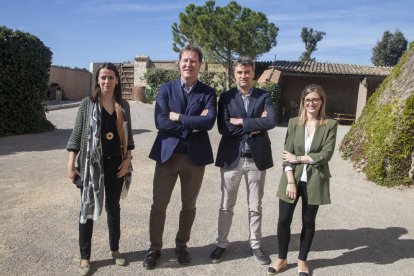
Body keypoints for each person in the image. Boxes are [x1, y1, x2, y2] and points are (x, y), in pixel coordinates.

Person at [143, 45, 217, 270]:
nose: (188, 64)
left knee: (189, 205)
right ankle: (154, 248)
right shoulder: (165, 89)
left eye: (193, 61)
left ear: (200, 65)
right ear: (179, 63)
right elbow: (161, 122)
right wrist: (192, 125)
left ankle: (181, 245)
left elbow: (209, 122)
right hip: (168, 155)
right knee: (159, 204)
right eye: (185, 60)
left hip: (195, 159)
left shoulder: (208, 92)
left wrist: (179, 117)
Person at [66, 63, 135, 276]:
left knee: (113, 209)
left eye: (111, 78)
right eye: (103, 77)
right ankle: (85, 257)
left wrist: (127, 161)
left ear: (116, 80)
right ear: (98, 80)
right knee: (87, 209)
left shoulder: (123, 105)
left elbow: (129, 138)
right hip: (90, 165)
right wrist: (71, 163)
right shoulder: (87, 105)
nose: (107, 81)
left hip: (116, 164)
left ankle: (115, 250)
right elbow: (76, 136)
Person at [210, 57, 276, 265]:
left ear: (253, 74)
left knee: (255, 206)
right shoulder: (226, 97)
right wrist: (256, 126)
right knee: (226, 205)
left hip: (257, 160)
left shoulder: (264, 95)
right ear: (234, 74)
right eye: (239, 72)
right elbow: (224, 128)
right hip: (232, 159)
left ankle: (255, 245)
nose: (243, 76)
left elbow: (271, 121)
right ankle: (221, 244)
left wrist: (241, 121)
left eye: (247, 72)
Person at [268, 84, 338, 276]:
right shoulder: (294, 123)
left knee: (308, 221)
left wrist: (298, 158)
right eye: (308, 100)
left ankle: (302, 260)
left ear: (322, 101)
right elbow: (286, 154)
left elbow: (326, 154)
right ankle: (282, 257)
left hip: (315, 180)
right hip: (292, 178)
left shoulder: (330, 125)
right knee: (283, 220)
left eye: (315, 99)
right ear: (303, 102)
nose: (311, 103)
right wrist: (290, 180)